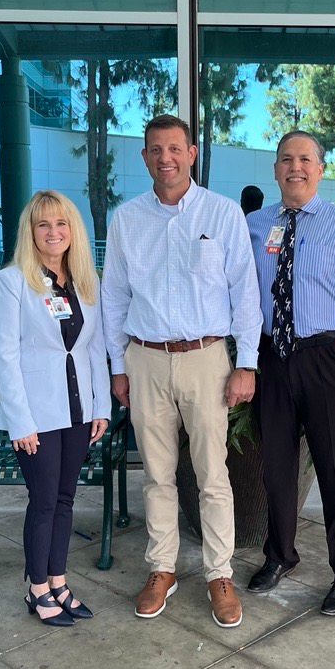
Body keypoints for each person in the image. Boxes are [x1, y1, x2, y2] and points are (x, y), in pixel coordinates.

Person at [102, 114, 262, 628]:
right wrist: (116, 366)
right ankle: (162, 568)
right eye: (155, 149)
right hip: (144, 359)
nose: (165, 157)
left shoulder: (223, 213)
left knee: (213, 475)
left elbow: (246, 295)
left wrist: (247, 363)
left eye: (174, 148)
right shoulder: (126, 219)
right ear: (144, 157)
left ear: (192, 154)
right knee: (156, 475)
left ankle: (219, 574)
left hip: (206, 359)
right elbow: (114, 296)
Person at [246, 130, 335, 616]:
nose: (295, 167)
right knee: (277, 469)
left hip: (326, 359)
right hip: (272, 359)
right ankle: (280, 555)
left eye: (305, 159)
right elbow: (242, 295)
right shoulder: (255, 225)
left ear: (321, 169)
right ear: (276, 169)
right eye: (286, 159)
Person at [0, 190, 111, 626]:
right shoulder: (11, 282)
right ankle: (36, 588)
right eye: (44, 224)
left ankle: (58, 581)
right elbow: (4, 356)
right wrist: (20, 421)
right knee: (43, 501)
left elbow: (95, 348)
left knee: (65, 499)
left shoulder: (86, 280)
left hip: (78, 411)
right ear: (31, 232)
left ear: (73, 229)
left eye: (61, 223)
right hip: (35, 416)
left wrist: (101, 408)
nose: (53, 232)